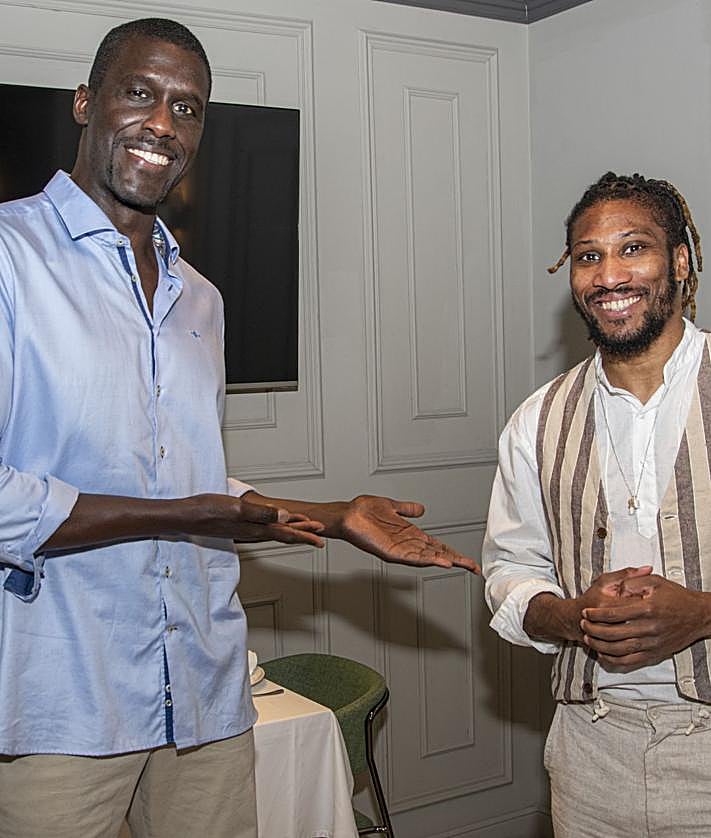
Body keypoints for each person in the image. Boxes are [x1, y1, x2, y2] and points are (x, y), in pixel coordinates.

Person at [0, 17, 478, 838]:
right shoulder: (9, 257)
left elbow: (181, 478)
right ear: (85, 102)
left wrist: (329, 515)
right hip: (62, 700)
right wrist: (186, 516)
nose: (162, 124)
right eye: (140, 93)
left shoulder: (201, 299)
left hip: (203, 688)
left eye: (187, 109)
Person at [482, 171, 711, 837]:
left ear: (678, 260)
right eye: (588, 256)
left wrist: (700, 614)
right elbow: (508, 573)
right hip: (588, 752)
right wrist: (569, 616)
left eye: (632, 248)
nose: (608, 275)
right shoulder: (537, 419)